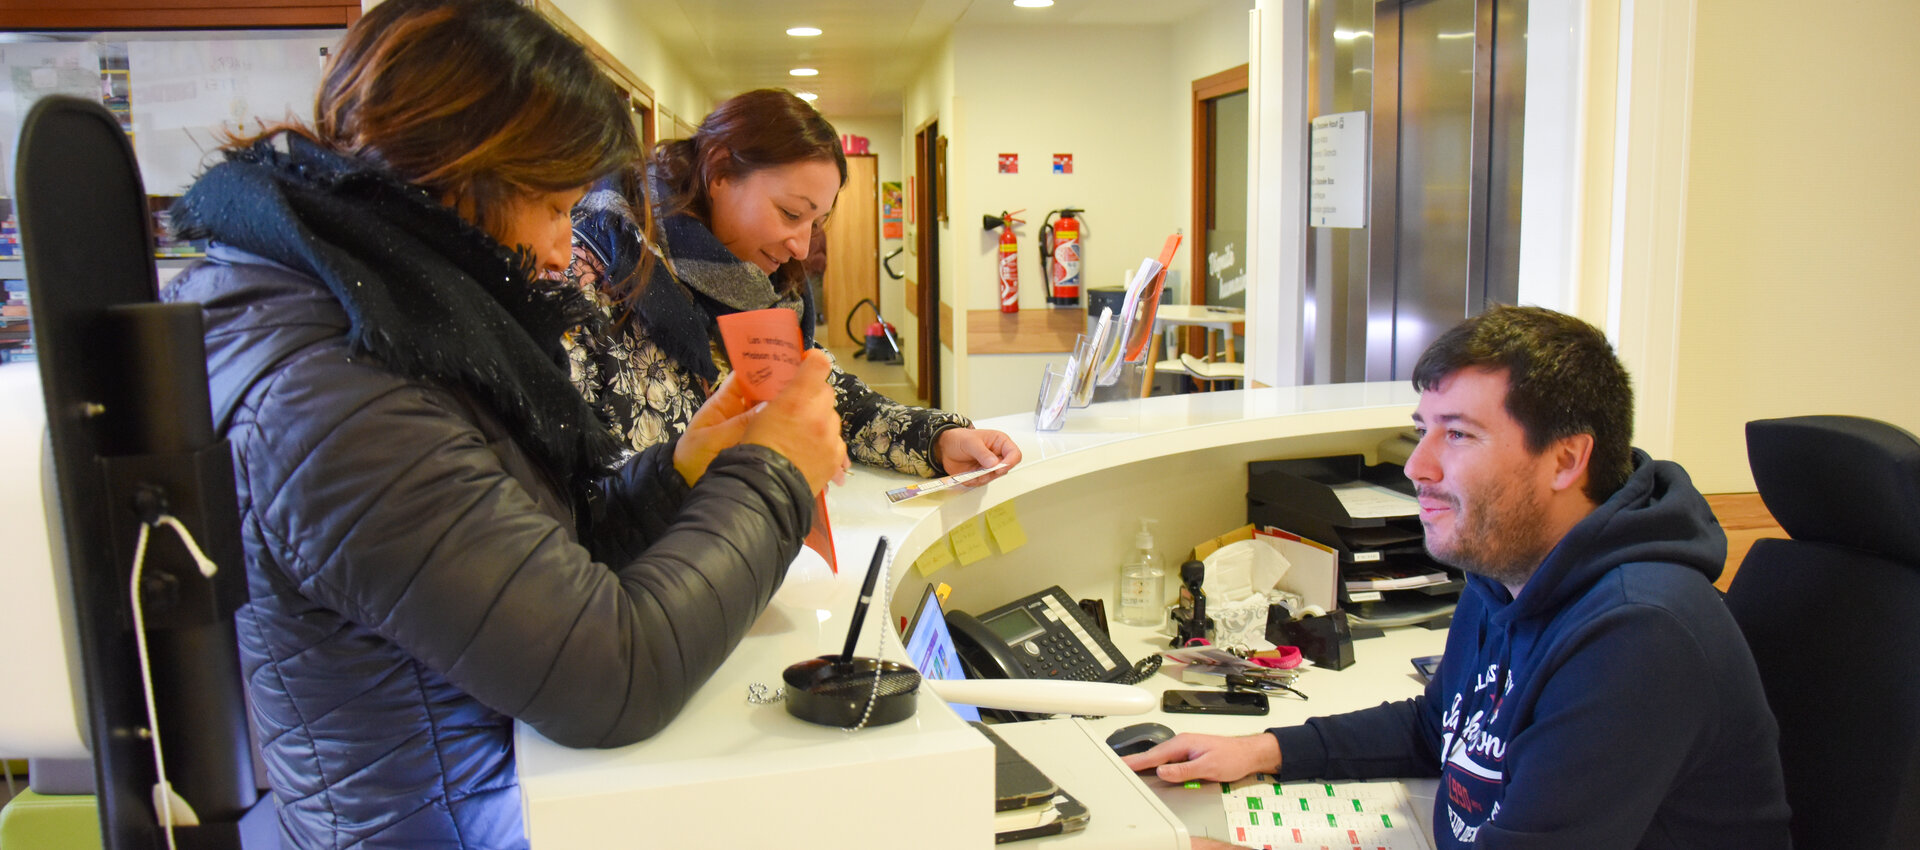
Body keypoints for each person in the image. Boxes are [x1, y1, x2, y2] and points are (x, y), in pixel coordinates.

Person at [162, 2, 844, 847]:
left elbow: (541, 554)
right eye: (555, 208)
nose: (565, 252)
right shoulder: (335, 396)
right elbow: (609, 672)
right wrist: (774, 473)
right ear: (464, 174)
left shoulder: (393, 322)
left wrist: (686, 469)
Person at [1126, 306, 1791, 849]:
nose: (1418, 466)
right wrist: (1262, 749)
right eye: (1423, 431)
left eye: (1459, 435)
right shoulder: (1508, 568)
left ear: (1566, 459)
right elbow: (1435, 726)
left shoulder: (1640, 632)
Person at [564, 88, 1021, 482]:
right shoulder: (595, 266)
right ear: (720, 173)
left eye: (816, 222)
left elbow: (828, 400)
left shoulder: (762, 287)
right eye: (790, 214)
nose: (802, 247)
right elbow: (574, 480)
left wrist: (940, 440)